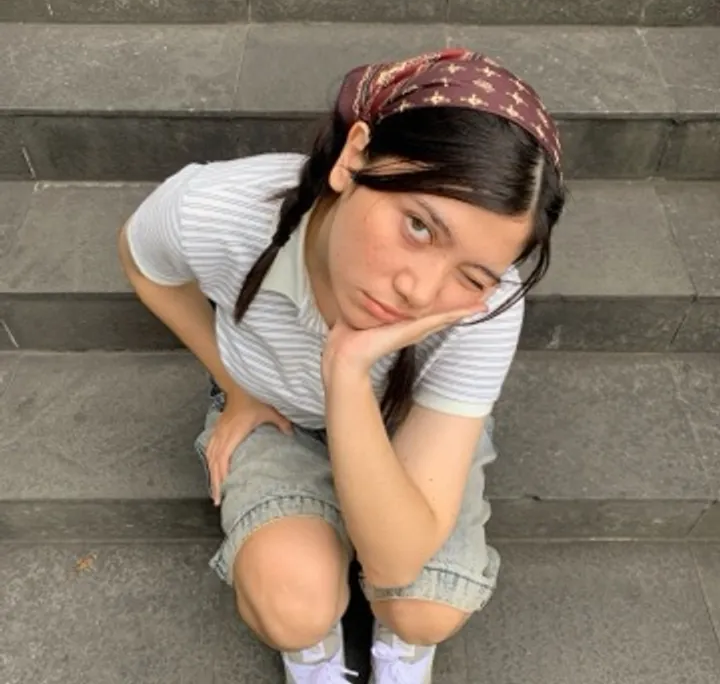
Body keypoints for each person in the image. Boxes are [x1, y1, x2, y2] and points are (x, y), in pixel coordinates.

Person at [118, 48, 565, 684]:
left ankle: (399, 641)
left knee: (424, 608)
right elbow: (142, 262)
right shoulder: (218, 208)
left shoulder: (486, 310)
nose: (418, 290)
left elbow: (395, 561)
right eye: (418, 226)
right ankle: (314, 653)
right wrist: (234, 385)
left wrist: (348, 371)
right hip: (276, 408)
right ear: (354, 157)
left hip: (404, 420)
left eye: (471, 274)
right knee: (290, 606)